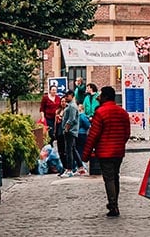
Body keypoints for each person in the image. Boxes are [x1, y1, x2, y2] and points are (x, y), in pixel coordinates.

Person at [82, 86, 131, 217]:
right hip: (118, 151)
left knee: (109, 178)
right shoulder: (122, 112)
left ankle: (113, 205)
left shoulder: (100, 112)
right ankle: (114, 202)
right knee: (115, 176)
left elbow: (93, 135)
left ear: (105, 97)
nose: (99, 97)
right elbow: (127, 133)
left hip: (104, 151)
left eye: (101, 95)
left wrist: (86, 154)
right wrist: (120, 143)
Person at [60, 90, 85, 176]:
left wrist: (66, 129)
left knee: (69, 150)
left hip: (70, 131)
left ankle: (69, 169)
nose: (66, 98)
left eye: (67, 96)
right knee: (73, 149)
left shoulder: (72, 106)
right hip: (71, 131)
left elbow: (71, 119)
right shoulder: (70, 106)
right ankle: (81, 167)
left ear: (71, 96)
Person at [76, 105, 91, 174]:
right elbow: (87, 125)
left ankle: (78, 165)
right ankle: (82, 165)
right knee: (81, 150)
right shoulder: (82, 116)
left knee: (78, 150)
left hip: (76, 133)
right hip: (82, 133)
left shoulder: (76, 115)